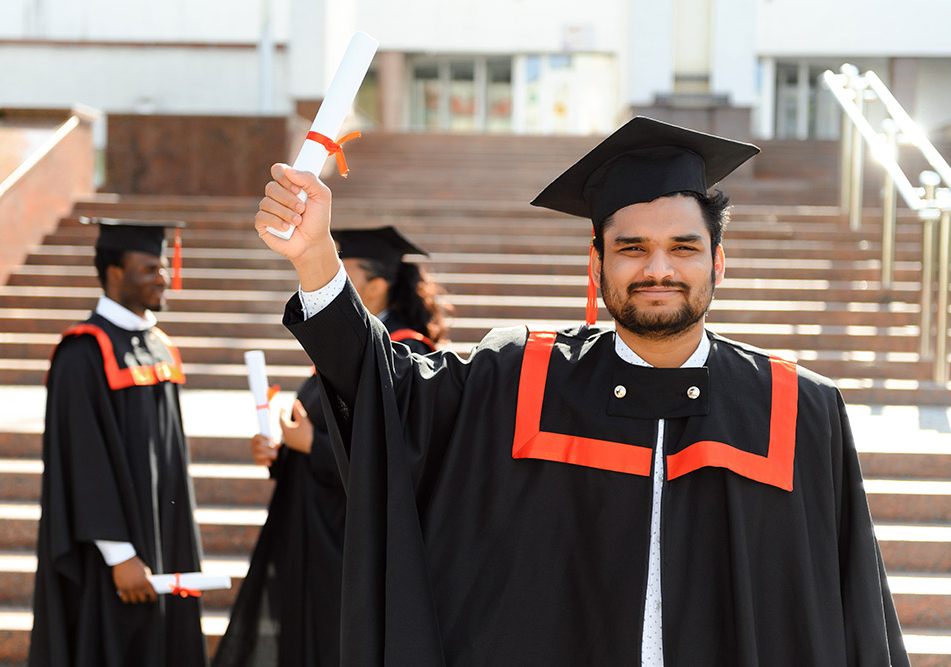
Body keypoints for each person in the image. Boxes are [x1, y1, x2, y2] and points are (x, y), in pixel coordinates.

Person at [253, 117, 910, 666]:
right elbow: (388, 395)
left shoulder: (798, 409)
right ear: (596, 265)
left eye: (683, 247)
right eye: (632, 248)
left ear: (719, 261)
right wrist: (316, 259)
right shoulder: (520, 378)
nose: (658, 268)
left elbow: (852, 608)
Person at [213, 226, 450, 667]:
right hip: (318, 529)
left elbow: (400, 458)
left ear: (377, 285)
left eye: (346, 269)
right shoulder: (357, 349)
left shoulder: (404, 354)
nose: (333, 273)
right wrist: (283, 452)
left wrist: (312, 445)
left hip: (351, 541)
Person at [30, 218, 208, 667]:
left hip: (164, 538)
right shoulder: (82, 352)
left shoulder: (160, 345)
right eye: (149, 268)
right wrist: (120, 554)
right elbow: (83, 461)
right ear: (114, 273)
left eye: (163, 266)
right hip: (112, 556)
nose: (163, 278)